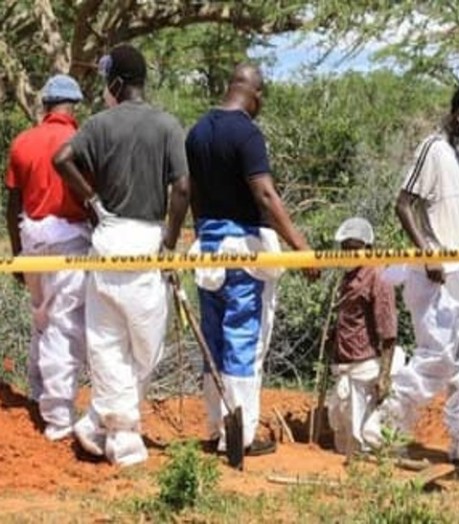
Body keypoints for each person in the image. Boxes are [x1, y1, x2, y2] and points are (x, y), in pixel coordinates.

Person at [53, 44, 191, 466]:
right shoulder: (167, 125)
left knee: (107, 343)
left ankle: (99, 421)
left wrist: (93, 202)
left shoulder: (98, 124)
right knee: (146, 347)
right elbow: (183, 187)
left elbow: (62, 159)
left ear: (117, 82)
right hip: (146, 241)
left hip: (107, 238)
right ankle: (124, 438)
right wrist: (171, 241)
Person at [185, 64, 318, 456]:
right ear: (256, 95)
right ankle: (239, 435)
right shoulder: (247, 133)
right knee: (244, 339)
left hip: (208, 250)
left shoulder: (197, 132)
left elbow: (192, 193)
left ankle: (217, 426)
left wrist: (200, 236)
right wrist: (302, 249)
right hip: (243, 252)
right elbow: (264, 194)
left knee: (214, 340)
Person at [363, 83, 459, 462]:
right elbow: (403, 203)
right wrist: (428, 253)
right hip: (434, 274)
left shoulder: (455, 156)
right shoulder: (433, 149)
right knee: (437, 357)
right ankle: (382, 430)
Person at [4, 74, 90, 441]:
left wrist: (17, 255)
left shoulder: (23, 141)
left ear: (45, 105)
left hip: (32, 239)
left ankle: (39, 393)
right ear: (74, 106)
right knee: (64, 325)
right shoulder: (81, 141)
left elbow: (12, 206)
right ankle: (58, 417)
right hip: (70, 241)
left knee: (41, 317)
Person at [326, 217, 399, 456]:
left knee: (362, 435)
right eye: (345, 248)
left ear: (368, 248)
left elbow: (388, 331)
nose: (348, 253)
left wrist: (384, 375)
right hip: (344, 364)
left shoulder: (378, 277)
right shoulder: (347, 277)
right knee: (341, 425)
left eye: (353, 248)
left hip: (365, 364)